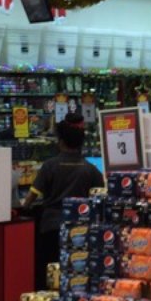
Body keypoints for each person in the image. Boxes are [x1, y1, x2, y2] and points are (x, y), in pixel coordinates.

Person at [23, 117, 103, 289]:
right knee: (75, 276)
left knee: (50, 277)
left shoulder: (49, 166)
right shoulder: (92, 170)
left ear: (60, 141)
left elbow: (29, 200)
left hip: (51, 229)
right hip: (79, 232)